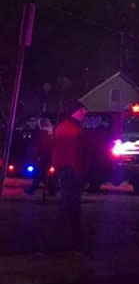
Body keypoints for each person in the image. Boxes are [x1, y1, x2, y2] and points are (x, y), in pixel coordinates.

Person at [49, 101, 88, 253]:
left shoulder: (65, 127)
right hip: (71, 170)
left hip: (67, 169)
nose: (85, 113)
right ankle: (63, 240)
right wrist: (77, 169)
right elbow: (73, 152)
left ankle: (67, 238)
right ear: (76, 111)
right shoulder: (72, 129)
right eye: (83, 110)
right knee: (69, 205)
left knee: (69, 205)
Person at [25, 116, 55, 196]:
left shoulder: (43, 133)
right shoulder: (51, 132)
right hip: (48, 155)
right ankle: (51, 190)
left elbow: (41, 145)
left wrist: (38, 155)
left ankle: (33, 189)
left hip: (44, 155)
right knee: (44, 173)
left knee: (40, 173)